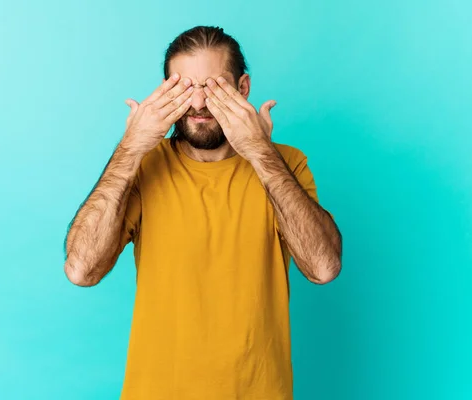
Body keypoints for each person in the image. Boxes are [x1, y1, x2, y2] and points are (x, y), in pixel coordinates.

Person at [64, 25, 342, 400]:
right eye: (182, 88)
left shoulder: (285, 164)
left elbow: (323, 267)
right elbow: (81, 269)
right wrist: (130, 148)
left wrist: (261, 152)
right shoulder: (141, 166)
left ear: (243, 88)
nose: (197, 103)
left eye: (213, 87)